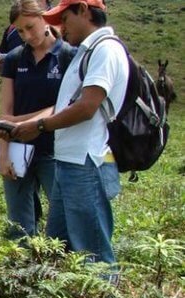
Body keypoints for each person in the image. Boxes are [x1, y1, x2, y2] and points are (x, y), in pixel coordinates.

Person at [10, 0, 128, 264]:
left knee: (92, 250)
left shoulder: (105, 50)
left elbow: (87, 107)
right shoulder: (85, 52)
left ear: (84, 10)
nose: (60, 27)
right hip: (69, 161)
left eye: (65, 18)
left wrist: (39, 126)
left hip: (86, 162)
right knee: (57, 245)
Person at [0, 0, 76, 239]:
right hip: (17, 149)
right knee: (18, 225)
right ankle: (21, 273)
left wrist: (20, 121)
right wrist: (2, 154)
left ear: (45, 19)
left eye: (30, 27)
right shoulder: (13, 59)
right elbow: (5, 114)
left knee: (63, 221)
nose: (27, 35)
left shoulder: (68, 55)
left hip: (55, 151)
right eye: (20, 31)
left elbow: (70, 106)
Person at [0, 0, 52, 74]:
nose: (27, 37)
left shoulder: (60, 25)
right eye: (20, 31)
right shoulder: (12, 29)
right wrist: (2, 68)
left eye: (30, 27)